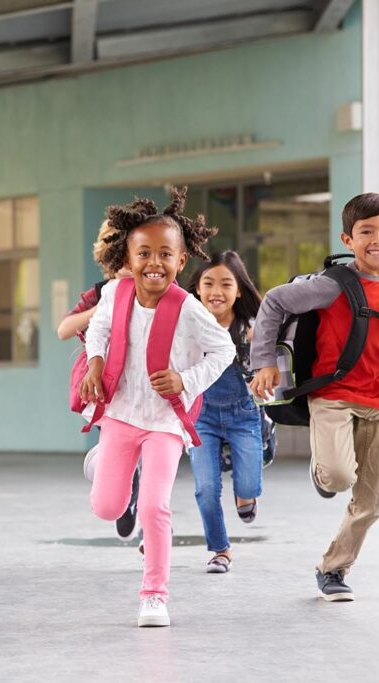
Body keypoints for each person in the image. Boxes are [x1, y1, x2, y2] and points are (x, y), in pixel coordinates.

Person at [249, 192, 379, 602]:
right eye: (365, 231)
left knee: (374, 500)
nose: (377, 240)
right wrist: (263, 360)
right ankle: (323, 472)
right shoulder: (332, 285)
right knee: (337, 477)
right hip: (333, 394)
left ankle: (333, 569)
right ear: (347, 239)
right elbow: (276, 301)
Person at [80, 189, 235, 627]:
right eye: (143, 253)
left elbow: (222, 351)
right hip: (121, 414)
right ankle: (105, 464)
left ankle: (154, 595)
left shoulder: (188, 309)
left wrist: (186, 381)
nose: (154, 262)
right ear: (127, 259)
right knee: (107, 508)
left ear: (181, 261)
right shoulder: (115, 293)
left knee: (154, 507)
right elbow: (99, 330)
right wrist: (95, 363)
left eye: (165, 254)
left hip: (165, 421)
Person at [58, 221, 138, 540]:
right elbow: (64, 329)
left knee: (151, 449)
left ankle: (150, 519)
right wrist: (105, 306)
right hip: (111, 387)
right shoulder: (100, 292)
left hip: (148, 386)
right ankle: (116, 480)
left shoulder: (155, 288)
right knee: (119, 458)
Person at [186, 251, 264, 574]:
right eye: (208, 283)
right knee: (205, 489)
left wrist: (261, 363)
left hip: (243, 413)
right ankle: (220, 550)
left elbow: (269, 362)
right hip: (201, 417)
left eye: (225, 284)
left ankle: (245, 496)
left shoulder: (250, 327)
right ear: (197, 290)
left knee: (247, 487)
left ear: (239, 290)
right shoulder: (188, 325)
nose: (216, 291)